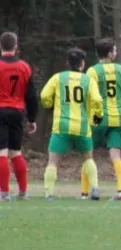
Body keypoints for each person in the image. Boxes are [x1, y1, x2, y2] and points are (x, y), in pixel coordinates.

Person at [40, 48, 103, 200]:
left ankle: (49, 194)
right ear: (83, 64)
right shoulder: (88, 80)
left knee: (53, 161)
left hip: (61, 126)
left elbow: (44, 96)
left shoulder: (58, 78)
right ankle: (95, 188)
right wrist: (97, 118)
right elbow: (97, 100)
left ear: (67, 63)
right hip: (82, 126)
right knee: (88, 158)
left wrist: (50, 104)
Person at [86, 38, 121, 200]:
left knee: (88, 154)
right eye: (115, 50)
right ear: (110, 53)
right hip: (118, 116)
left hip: (98, 117)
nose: (116, 53)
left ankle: (87, 192)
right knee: (116, 155)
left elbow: (90, 95)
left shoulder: (92, 71)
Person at [0, 32, 37, 201]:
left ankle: (4, 192)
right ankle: (23, 192)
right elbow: (31, 96)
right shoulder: (25, 67)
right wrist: (32, 119)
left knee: (1, 153)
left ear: (1, 46)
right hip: (18, 112)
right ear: (15, 47)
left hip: (1, 111)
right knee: (16, 152)